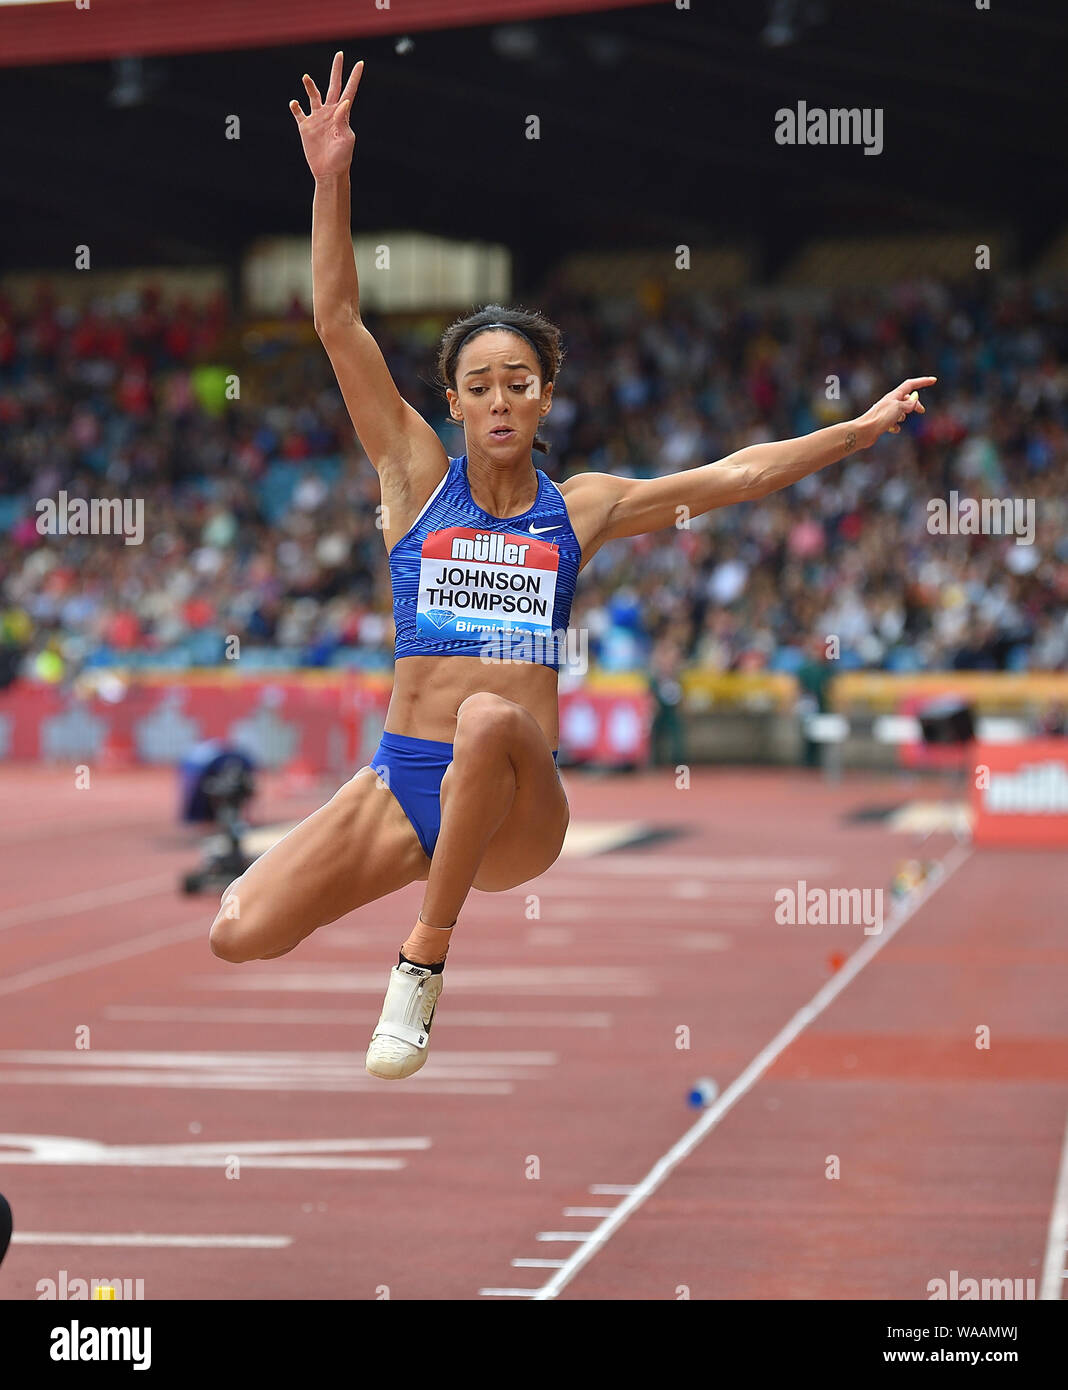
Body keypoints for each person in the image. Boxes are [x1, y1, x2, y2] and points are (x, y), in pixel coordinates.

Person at [208, 51, 934, 1082]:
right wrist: (331, 178)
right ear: (452, 404)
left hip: (516, 802)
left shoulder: (578, 508)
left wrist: (852, 434)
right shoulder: (415, 477)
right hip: (407, 775)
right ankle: (397, 866)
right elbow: (337, 324)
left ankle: (422, 960)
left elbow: (735, 475)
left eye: (519, 382)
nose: (500, 399)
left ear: (545, 397)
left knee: (492, 718)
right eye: (479, 385)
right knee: (236, 930)